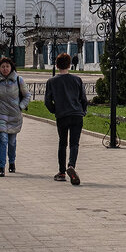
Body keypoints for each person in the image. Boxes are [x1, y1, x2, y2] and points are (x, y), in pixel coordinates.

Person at [45, 52, 88, 185]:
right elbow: (83, 99)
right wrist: (83, 111)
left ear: (56, 65)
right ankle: (71, 165)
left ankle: (62, 172)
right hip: (77, 115)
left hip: (62, 115)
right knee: (74, 143)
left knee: (62, 143)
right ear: (70, 65)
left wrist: (55, 110)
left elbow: (47, 101)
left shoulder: (52, 82)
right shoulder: (77, 80)